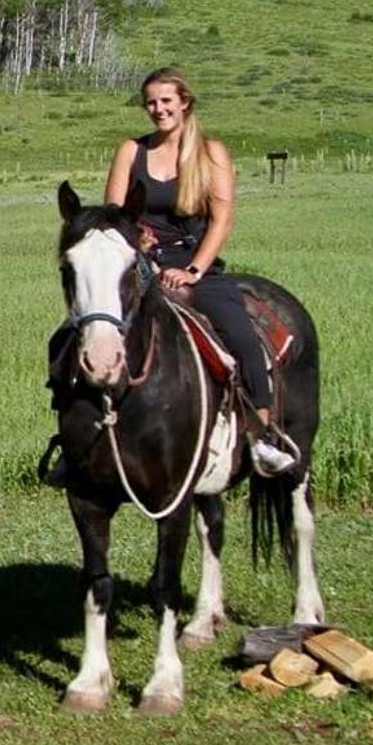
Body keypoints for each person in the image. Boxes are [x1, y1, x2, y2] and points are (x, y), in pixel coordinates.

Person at [98, 67, 293, 475]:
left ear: (184, 102)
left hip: (194, 263)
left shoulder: (211, 153)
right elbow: (115, 217)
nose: (158, 109)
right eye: (151, 102)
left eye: (166, 101)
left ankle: (261, 431)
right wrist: (139, 249)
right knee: (83, 329)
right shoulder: (131, 151)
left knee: (238, 328)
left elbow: (221, 220)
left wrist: (193, 270)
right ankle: (78, 438)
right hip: (140, 265)